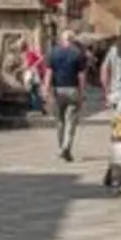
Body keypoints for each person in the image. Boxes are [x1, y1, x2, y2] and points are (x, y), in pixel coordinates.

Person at [45, 30, 88, 162]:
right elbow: (81, 76)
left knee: (60, 121)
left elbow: (49, 73)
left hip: (58, 90)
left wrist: (46, 90)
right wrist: (82, 92)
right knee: (71, 122)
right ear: (73, 40)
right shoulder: (78, 54)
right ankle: (66, 148)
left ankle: (62, 149)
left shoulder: (53, 52)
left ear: (62, 39)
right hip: (73, 90)